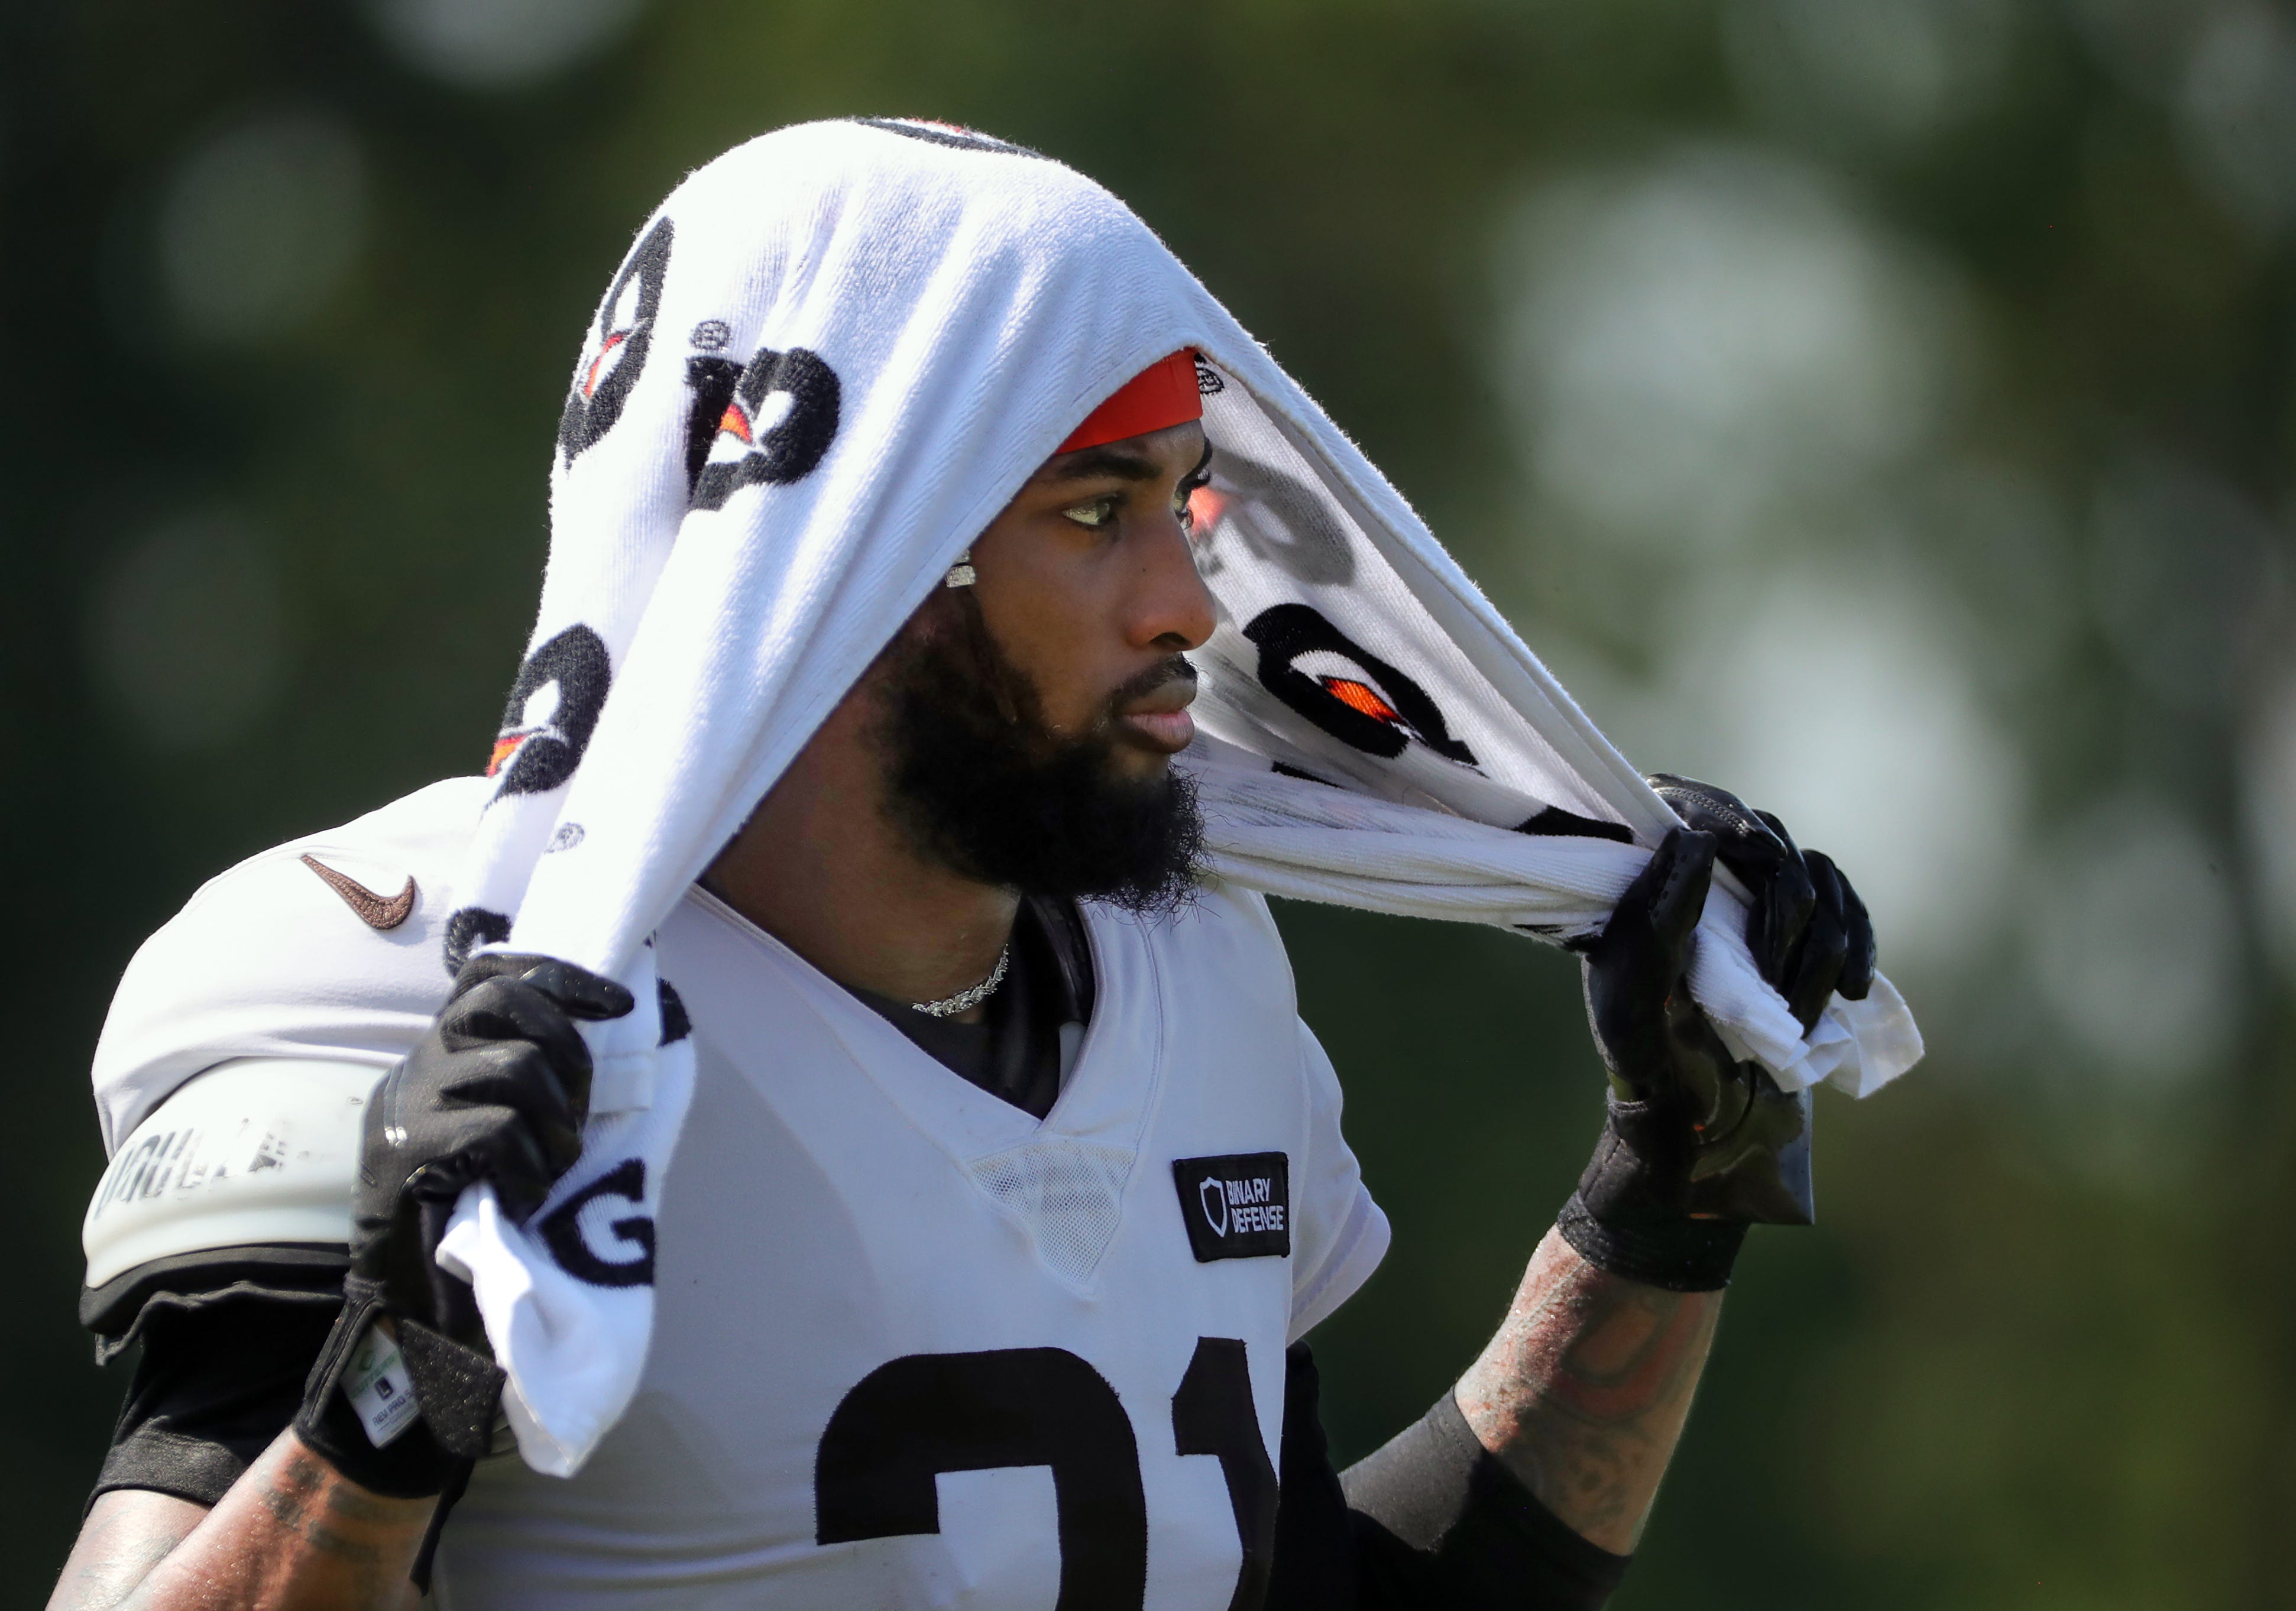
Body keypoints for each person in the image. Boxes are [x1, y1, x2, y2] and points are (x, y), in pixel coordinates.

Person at [50, 120, 1881, 1611]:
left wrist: (1668, 1193)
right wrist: (395, 1399)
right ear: (839, 550)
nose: (1183, 604)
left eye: (1184, 504)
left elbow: (1327, 1590)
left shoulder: (1195, 982)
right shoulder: (413, 986)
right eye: (1092, 514)